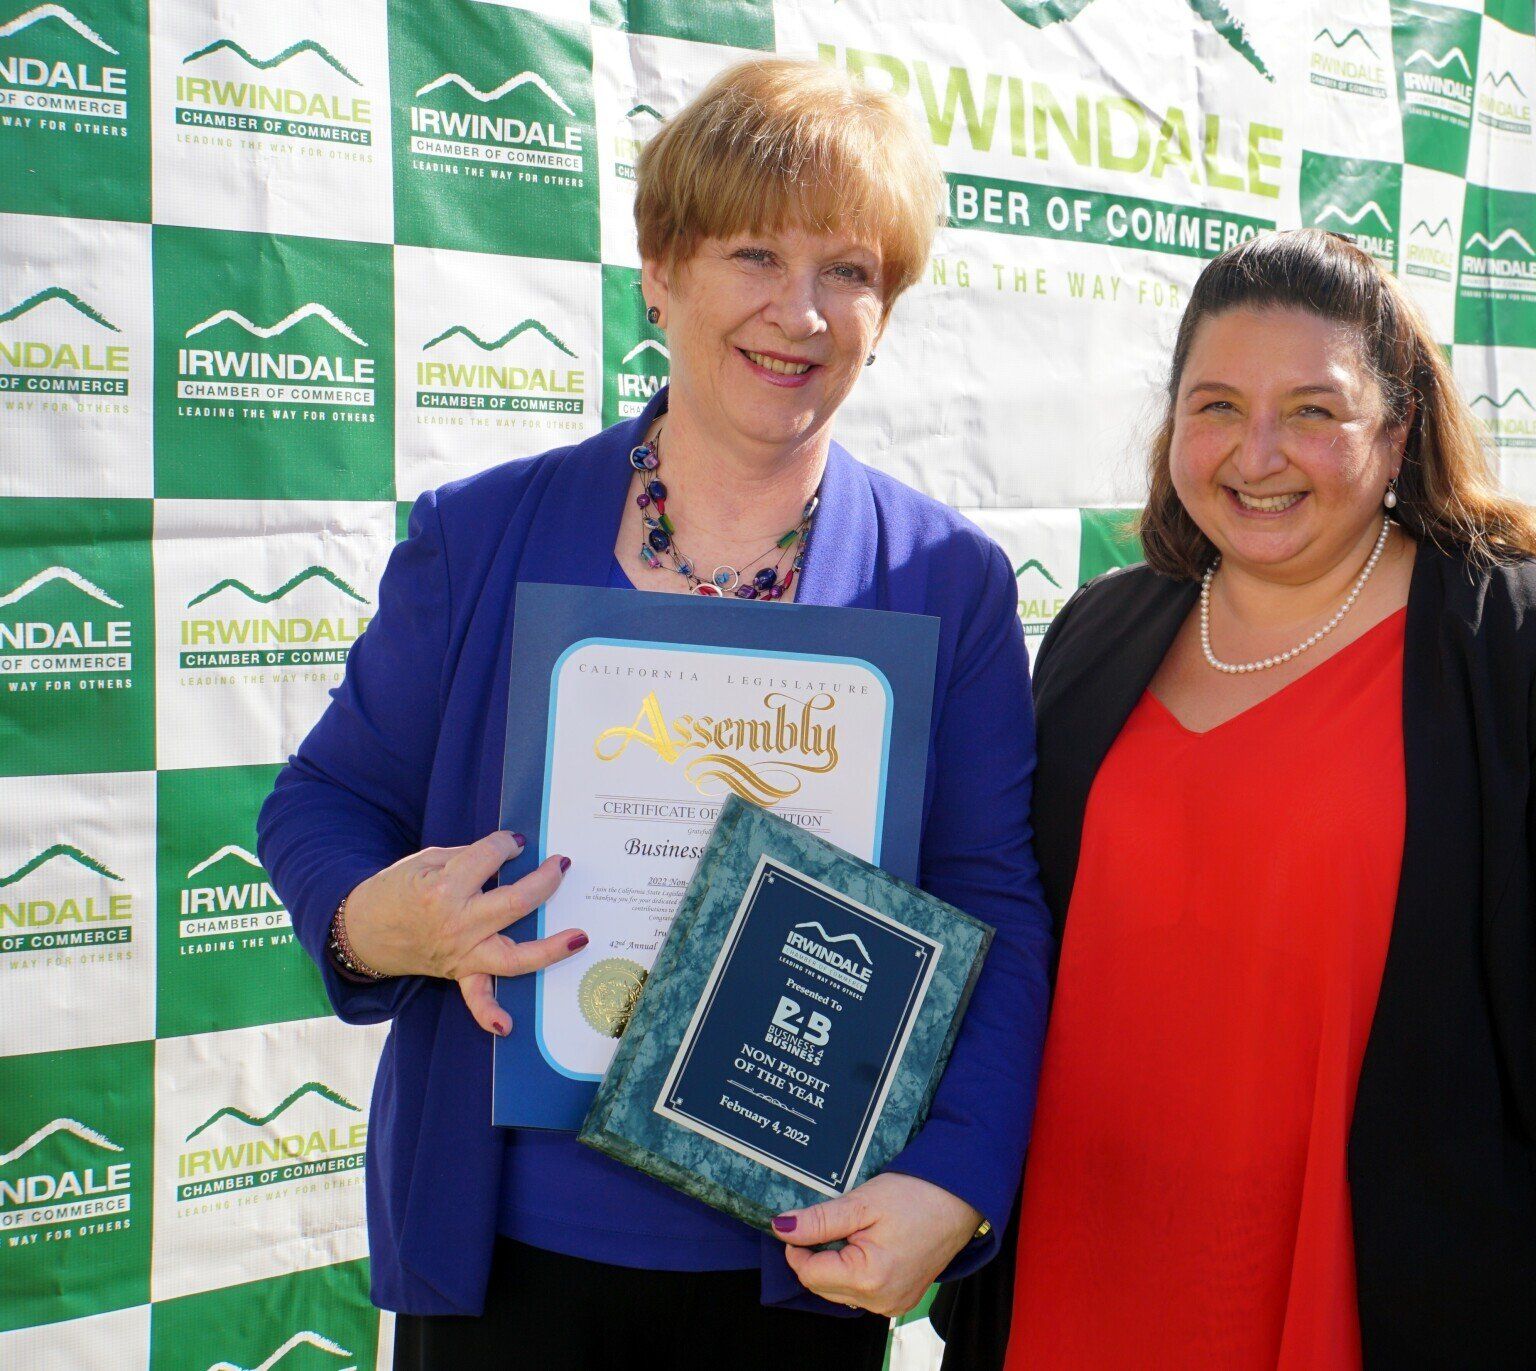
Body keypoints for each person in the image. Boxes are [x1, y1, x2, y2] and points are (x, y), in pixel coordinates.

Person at [257, 57, 1052, 1369]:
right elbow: (324, 801)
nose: (800, 312)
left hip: (798, 1268)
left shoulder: (943, 579)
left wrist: (956, 1175)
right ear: (662, 272)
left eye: (849, 270)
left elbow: (992, 901)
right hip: (503, 1269)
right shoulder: (480, 535)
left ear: (887, 307)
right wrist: (369, 918)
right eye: (754, 254)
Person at [932, 229, 1536, 1369]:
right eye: (1216, 405)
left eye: (1314, 411)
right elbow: (1005, 935)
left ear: (1399, 428)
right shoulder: (1098, 631)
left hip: (1382, 1301)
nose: (1258, 452)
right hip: (1082, 1272)